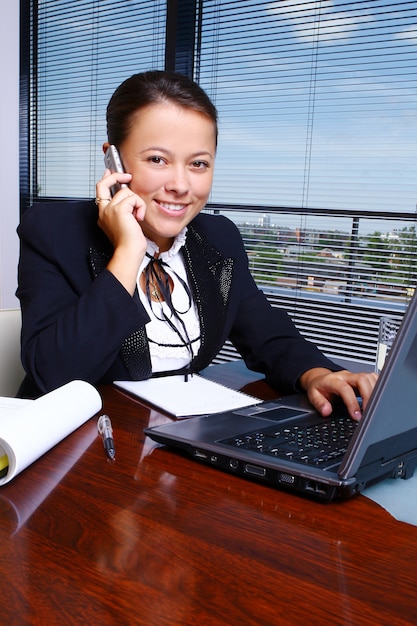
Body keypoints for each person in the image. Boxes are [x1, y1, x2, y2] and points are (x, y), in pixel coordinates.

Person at [17, 70, 377, 418]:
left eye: (199, 164)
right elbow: (55, 375)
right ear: (114, 160)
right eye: (157, 159)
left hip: (176, 446)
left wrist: (318, 374)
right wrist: (128, 250)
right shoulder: (53, 231)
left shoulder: (218, 238)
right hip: (72, 452)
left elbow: (268, 335)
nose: (181, 184)